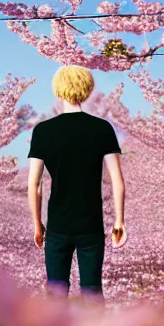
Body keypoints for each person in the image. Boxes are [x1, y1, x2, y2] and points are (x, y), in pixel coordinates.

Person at [27, 65, 126, 301]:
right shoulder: (102, 128)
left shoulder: (43, 131)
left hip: (58, 224)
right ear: (88, 89)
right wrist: (119, 221)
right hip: (91, 224)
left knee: (56, 290)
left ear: (58, 91)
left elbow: (35, 184)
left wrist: (37, 224)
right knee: (92, 290)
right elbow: (117, 180)